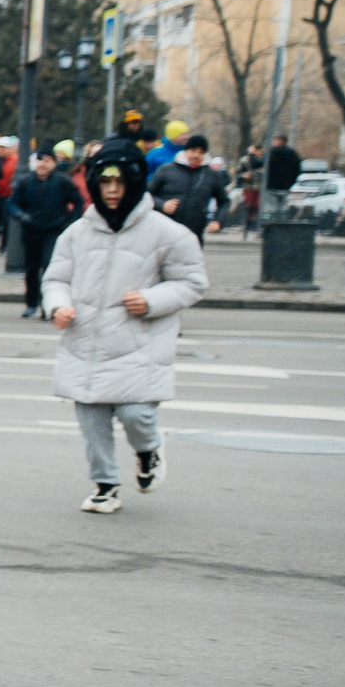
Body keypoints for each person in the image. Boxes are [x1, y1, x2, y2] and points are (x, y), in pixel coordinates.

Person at [44, 145, 209, 514]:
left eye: (120, 181)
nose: (112, 190)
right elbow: (55, 278)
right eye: (104, 182)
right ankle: (105, 485)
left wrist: (152, 300)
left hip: (139, 344)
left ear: (134, 182)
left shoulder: (170, 233)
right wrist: (58, 305)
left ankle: (149, 451)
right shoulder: (76, 233)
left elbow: (193, 282)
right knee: (92, 422)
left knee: (137, 415)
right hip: (85, 343)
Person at [10, 144, 83, 319]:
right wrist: (21, 215)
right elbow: (12, 204)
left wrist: (68, 222)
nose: (42, 165)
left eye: (47, 161)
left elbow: (78, 202)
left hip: (53, 231)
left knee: (48, 266)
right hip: (31, 230)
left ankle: (46, 304)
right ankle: (31, 303)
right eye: (39, 160)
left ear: (54, 163)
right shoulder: (26, 181)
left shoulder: (63, 182)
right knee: (31, 268)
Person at [147, 134, 228, 242]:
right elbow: (147, 195)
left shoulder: (211, 175)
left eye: (201, 152)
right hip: (165, 234)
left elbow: (224, 201)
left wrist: (218, 221)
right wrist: (162, 205)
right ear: (186, 151)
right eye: (193, 150)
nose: (196, 155)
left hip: (194, 236)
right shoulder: (166, 170)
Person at [263, 133, 303, 223]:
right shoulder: (293, 154)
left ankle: (269, 231)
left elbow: (262, 164)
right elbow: (298, 170)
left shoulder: (271, 153)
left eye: (275, 140)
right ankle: (280, 230)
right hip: (286, 187)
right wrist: (291, 183)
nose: (273, 142)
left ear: (280, 141)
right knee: (282, 211)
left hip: (271, 186)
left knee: (270, 210)